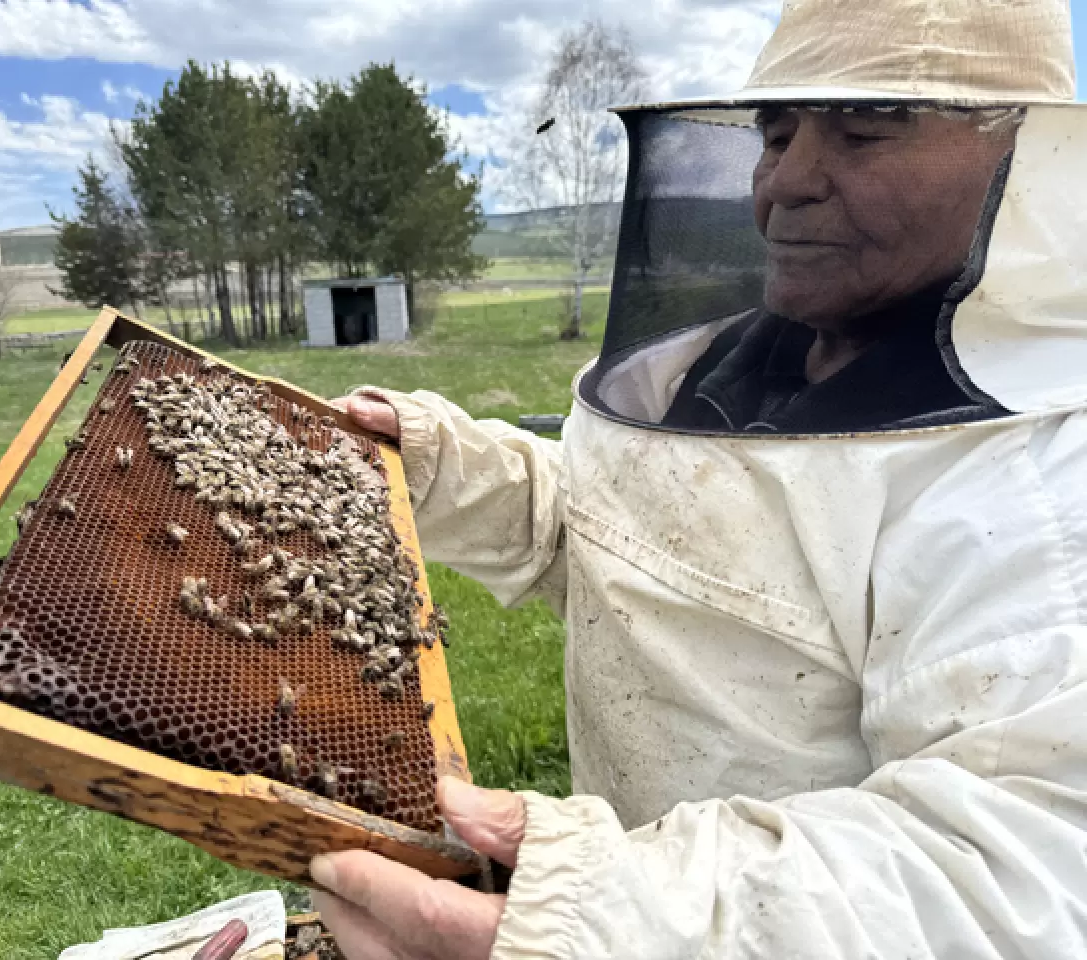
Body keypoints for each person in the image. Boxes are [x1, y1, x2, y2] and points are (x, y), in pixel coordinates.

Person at [307, 0, 1087, 957]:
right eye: (776, 133)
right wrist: (444, 467)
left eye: (865, 131)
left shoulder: (1043, 491)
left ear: (1018, 159)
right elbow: (626, 543)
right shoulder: (708, 368)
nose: (786, 183)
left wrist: (610, 918)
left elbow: (1020, 877)